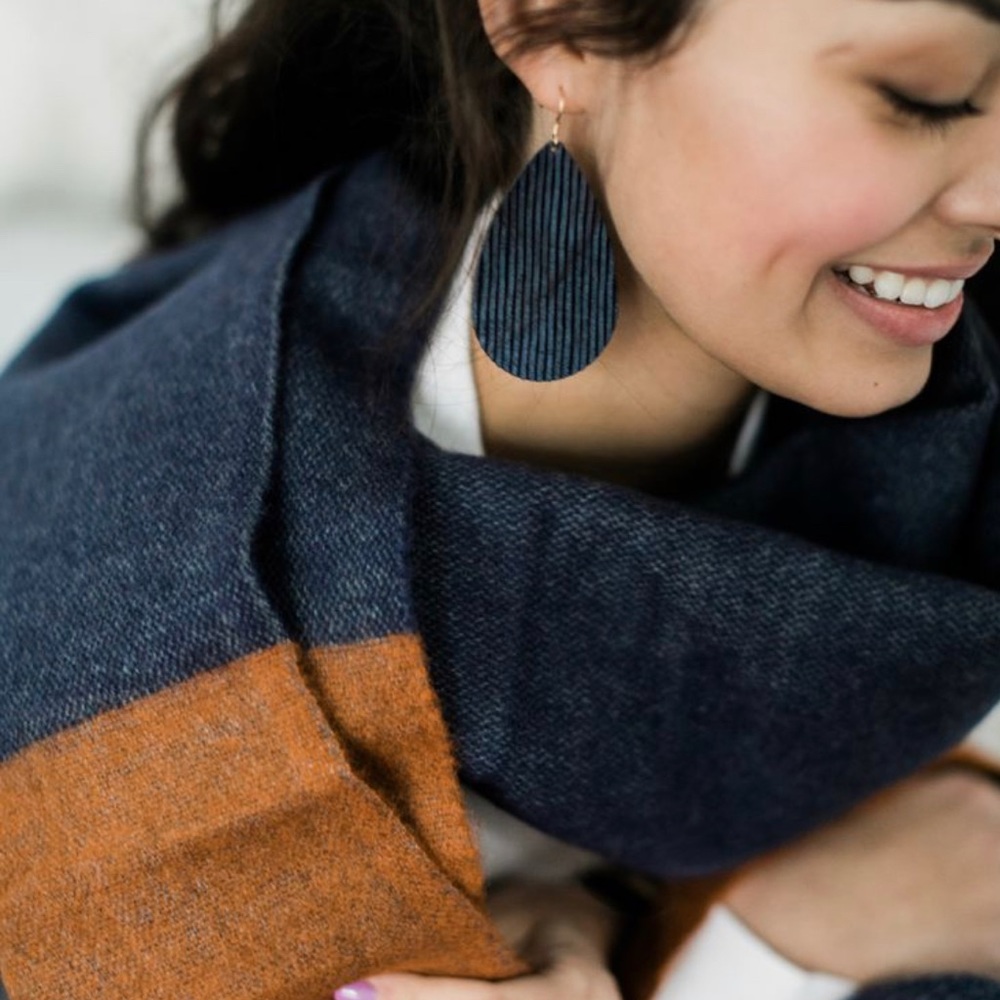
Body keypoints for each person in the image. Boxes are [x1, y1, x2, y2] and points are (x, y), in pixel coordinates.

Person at [3, 0, 1000, 998]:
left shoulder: (956, 437)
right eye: (925, 98)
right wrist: (752, 955)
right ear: (557, 27)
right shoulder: (129, 605)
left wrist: (608, 908)